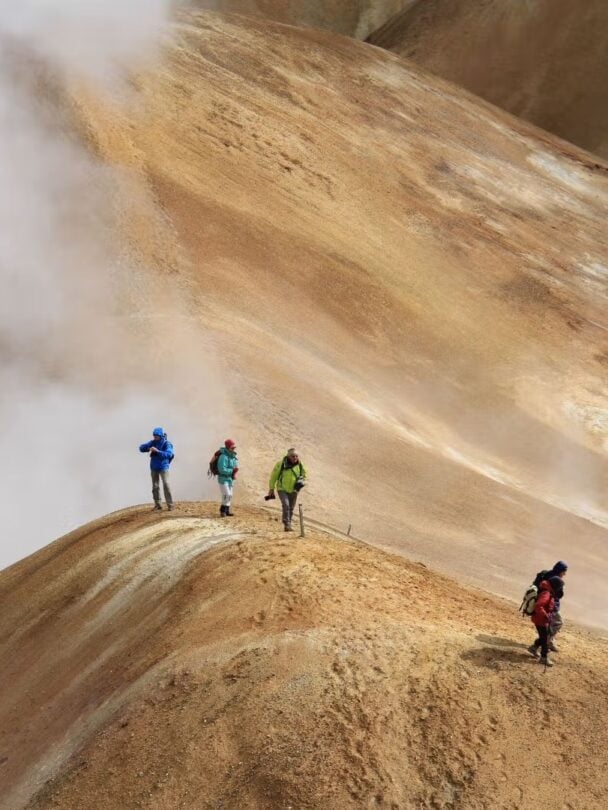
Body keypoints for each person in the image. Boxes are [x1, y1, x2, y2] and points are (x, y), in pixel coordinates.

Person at [267, 448, 307, 532]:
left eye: (296, 456)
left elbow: (304, 474)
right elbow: (274, 476)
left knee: (291, 508)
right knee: (286, 505)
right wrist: (271, 488)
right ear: (288, 456)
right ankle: (287, 523)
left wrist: (302, 480)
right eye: (293, 456)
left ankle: (288, 524)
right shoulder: (281, 464)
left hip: (294, 489)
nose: (295, 458)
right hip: (282, 488)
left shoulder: (300, 464)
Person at [533, 560, 568, 651]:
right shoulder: (555, 579)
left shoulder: (547, 574)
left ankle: (548, 642)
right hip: (549, 607)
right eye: (564, 572)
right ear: (560, 571)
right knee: (557, 623)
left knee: (549, 626)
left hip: (545, 605)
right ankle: (542, 643)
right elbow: (557, 596)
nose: (564, 574)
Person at [528, 575, 562, 667]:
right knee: (545, 639)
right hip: (541, 620)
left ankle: (534, 648)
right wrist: (546, 615)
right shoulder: (546, 593)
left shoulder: (547, 591)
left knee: (545, 637)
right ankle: (543, 658)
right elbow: (539, 605)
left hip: (540, 619)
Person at [139, 427, 174, 511]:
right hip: (154, 467)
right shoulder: (153, 442)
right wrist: (148, 448)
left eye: (156, 436)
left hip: (163, 467)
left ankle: (170, 505)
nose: (155, 437)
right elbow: (141, 448)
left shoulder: (167, 444)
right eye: (154, 436)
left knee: (166, 484)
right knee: (155, 486)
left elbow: (169, 454)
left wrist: (157, 451)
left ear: (161, 436)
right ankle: (158, 505)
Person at [217, 439, 239, 517]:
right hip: (223, 479)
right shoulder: (223, 456)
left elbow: (236, 466)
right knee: (227, 494)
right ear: (227, 447)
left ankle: (226, 511)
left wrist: (235, 471)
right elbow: (221, 469)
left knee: (229, 495)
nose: (233, 449)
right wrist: (232, 471)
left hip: (230, 479)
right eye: (232, 447)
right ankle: (222, 510)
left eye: (234, 447)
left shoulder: (233, 456)